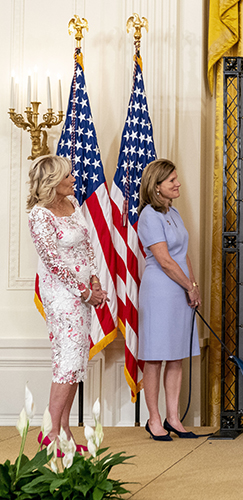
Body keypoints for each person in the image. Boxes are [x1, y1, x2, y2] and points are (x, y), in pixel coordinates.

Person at [27, 155, 108, 451]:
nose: (73, 179)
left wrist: (95, 282)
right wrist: (84, 291)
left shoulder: (73, 203)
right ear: (51, 182)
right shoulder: (39, 215)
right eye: (67, 176)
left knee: (76, 364)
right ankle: (50, 432)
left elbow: (87, 245)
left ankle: (64, 429)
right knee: (66, 362)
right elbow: (53, 261)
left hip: (84, 292)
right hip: (61, 295)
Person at [138, 159, 201, 441]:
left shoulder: (173, 213)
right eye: (172, 180)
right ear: (157, 186)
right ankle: (153, 419)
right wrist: (187, 285)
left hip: (180, 288)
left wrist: (193, 285)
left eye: (176, 178)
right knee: (155, 357)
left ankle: (173, 417)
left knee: (176, 355)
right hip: (160, 291)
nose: (177, 184)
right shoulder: (148, 216)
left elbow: (182, 253)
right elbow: (164, 260)